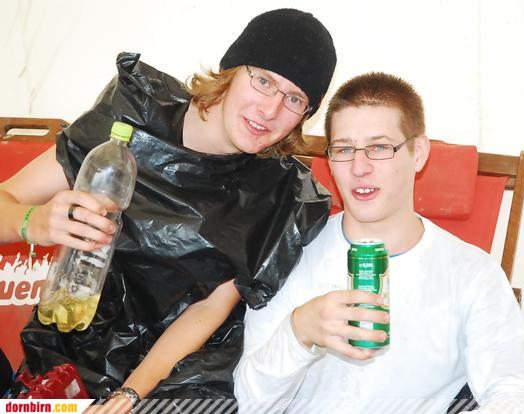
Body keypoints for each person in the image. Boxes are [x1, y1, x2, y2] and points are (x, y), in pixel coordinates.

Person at [0, 8, 336, 411]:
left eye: (294, 99)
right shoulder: (130, 118)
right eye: (263, 81)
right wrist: (32, 222)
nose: (270, 110)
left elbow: (209, 308)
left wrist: (129, 395)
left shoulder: (278, 195)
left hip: (179, 376)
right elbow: (7, 198)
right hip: (69, 347)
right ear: (232, 70)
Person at [233, 72, 524, 413]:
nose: (359, 168)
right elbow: (250, 403)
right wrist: (299, 331)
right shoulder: (289, 254)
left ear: (418, 153)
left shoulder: (471, 273)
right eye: (344, 149)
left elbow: (519, 393)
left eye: (379, 148)